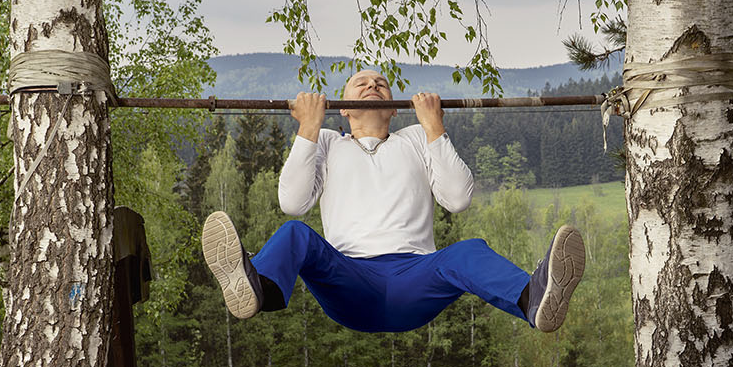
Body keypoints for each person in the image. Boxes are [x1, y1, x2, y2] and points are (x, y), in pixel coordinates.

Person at [201, 68, 585, 334]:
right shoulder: (329, 142)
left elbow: (458, 199)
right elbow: (292, 201)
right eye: (361, 83)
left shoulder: (417, 137)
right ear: (343, 107)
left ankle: (534, 300)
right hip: (350, 278)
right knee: (294, 233)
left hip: (415, 279)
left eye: (381, 83)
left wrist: (434, 125)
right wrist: (308, 127)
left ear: (395, 107)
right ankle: (257, 290)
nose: (373, 85)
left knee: (469, 251)